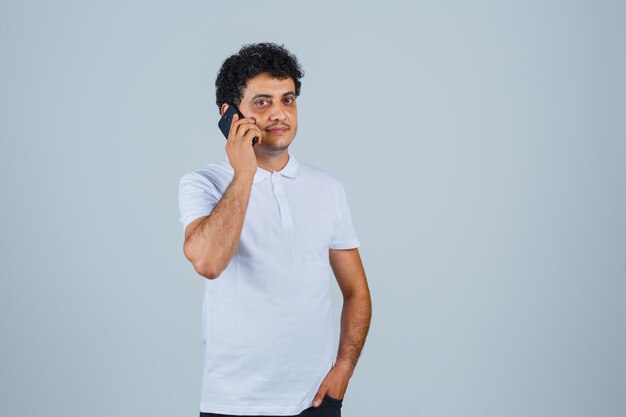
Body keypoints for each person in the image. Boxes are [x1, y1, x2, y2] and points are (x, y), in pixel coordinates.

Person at [178, 42, 372, 417]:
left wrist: (344, 369)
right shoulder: (203, 184)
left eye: (288, 100)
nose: (280, 114)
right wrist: (245, 171)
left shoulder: (328, 188)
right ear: (230, 114)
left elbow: (356, 290)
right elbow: (208, 262)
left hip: (315, 403)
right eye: (262, 102)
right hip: (234, 404)